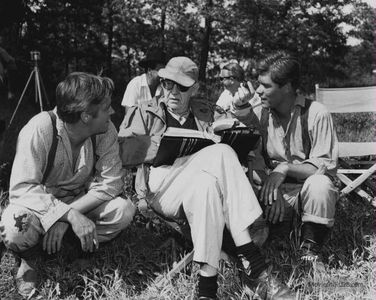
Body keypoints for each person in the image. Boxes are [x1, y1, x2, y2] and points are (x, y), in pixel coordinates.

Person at [118, 56, 296, 300]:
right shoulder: (145, 111)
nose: (173, 92)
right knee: (220, 152)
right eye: (167, 84)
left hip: (199, 186)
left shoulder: (207, 111)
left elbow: (254, 138)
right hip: (162, 189)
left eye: (182, 87)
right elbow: (123, 151)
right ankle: (254, 264)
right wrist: (164, 144)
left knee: (207, 186)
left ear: (195, 89)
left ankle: (207, 291)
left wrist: (242, 113)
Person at [0, 72, 136, 297]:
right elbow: (22, 188)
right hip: (40, 205)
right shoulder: (40, 128)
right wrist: (67, 215)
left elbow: (110, 183)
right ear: (85, 116)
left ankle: (69, 242)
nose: (111, 113)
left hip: (80, 201)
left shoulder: (106, 130)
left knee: (123, 211)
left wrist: (67, 216)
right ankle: (30, 259)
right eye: (106, 108)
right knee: (16, 226)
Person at [232, 51, 338, 265]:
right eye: (258, 84)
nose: (259, 91)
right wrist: (272, 191)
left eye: (266, 85)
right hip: (270, 193)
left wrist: (285, 169)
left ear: (287, 86)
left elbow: (325, 165)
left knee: (320, 184)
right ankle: (276, 235)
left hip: (305, 194)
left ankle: (310, 249)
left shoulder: (316, 113)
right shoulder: (260, 113)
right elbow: (249, 157)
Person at [121, 48, 167, 112]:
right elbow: (129, 114)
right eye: (160, 70)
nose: (163, 74)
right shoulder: (135, 84)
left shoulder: (164, 86)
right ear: (149, 70)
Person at [0, 36, 17, 100]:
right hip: (7, 68)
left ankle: (10, 93)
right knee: (11, 70)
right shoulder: (1, 50)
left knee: (11, 71)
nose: (1, 41)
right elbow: (8, 59)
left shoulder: (2, 49)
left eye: (1, 39)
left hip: (6, 67)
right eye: (0, 39)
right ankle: (10, 93)